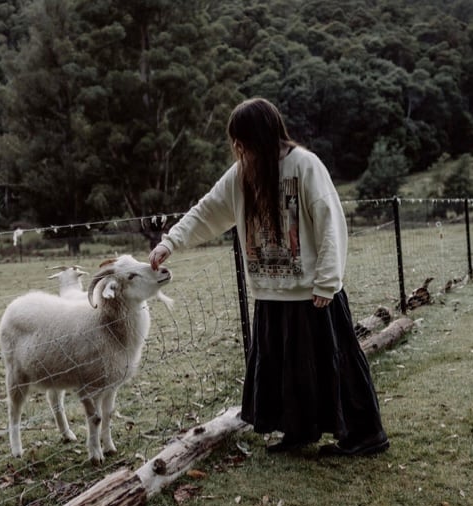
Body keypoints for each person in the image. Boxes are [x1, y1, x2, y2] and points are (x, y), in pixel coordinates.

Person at [148, 97, 389, 456]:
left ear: (258, 136)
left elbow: (329, 223)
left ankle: (365, 435)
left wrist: (326, 280)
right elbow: (207, 211)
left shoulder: (304, 165)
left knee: (335, 365)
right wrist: (171, 242)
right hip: (272, 292)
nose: (237, 148)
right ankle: (298, 432)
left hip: (313, 293)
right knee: (288, 372)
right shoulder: (242, 173)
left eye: (241, 140)